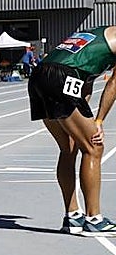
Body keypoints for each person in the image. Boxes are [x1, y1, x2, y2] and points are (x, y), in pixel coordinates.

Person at [27, 26, 116, 236]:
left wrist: (84, 119)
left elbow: (85, 83)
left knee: (70, 147)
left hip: (40, 75)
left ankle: (73, 215)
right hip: (61, 77)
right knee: (94, 147)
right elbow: (114, 84)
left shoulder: (97, 34)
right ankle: (94, 219)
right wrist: (99, 120)